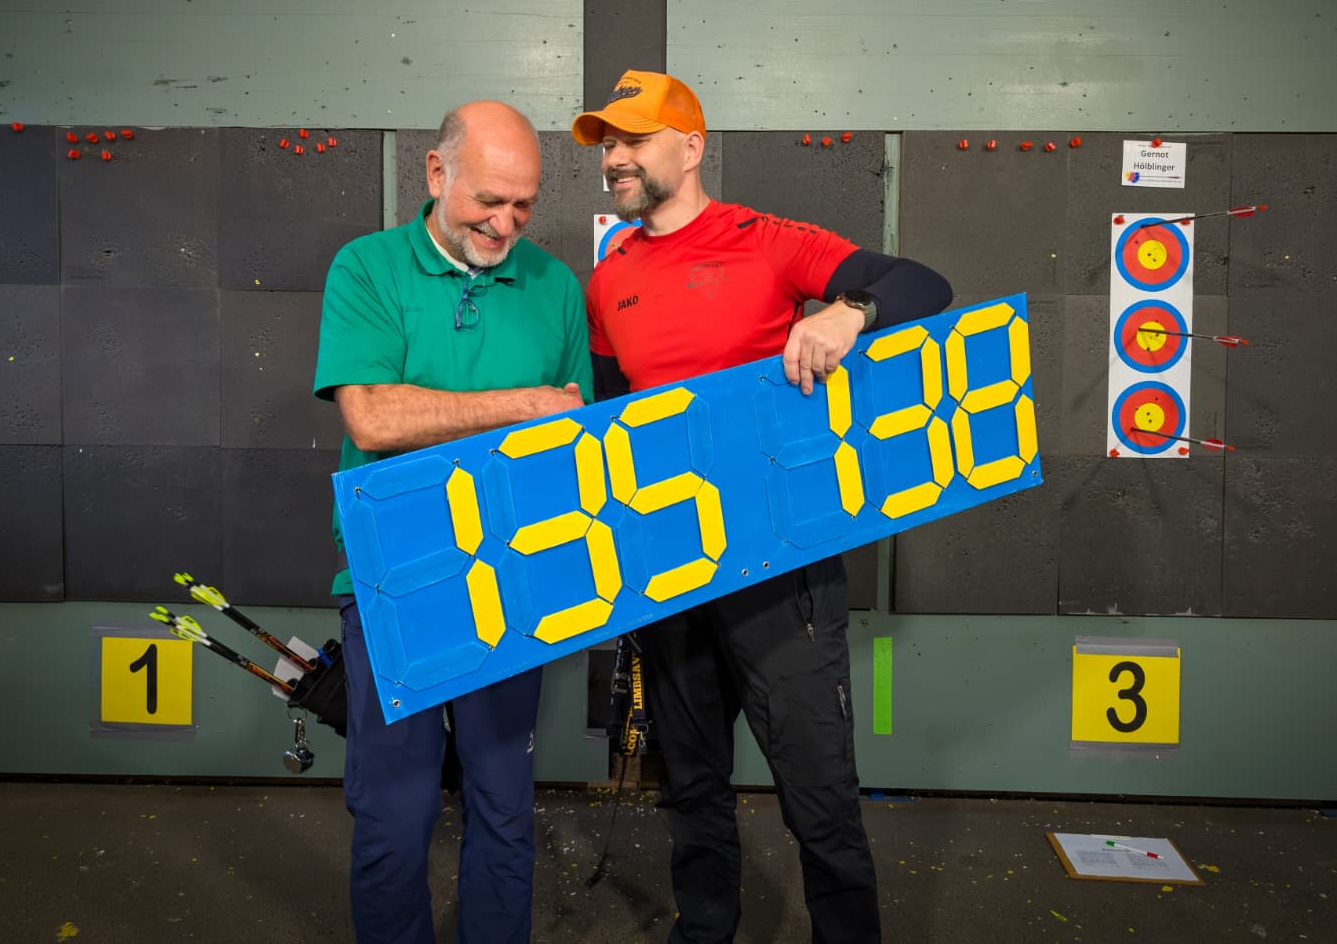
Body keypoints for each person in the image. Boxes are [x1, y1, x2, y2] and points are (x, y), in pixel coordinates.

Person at [574, 71, 953, 944]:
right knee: (692, 789)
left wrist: (850, 313)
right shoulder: (608, 279)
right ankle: (704, 931)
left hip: (781, 567)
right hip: (673, 570)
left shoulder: (767, 241)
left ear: (691, 147)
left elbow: (923, 284)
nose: (615, 158)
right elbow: (610, 415)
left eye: (632, 140)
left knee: (819, 795)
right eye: (607, 144)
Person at [314, 99, 590, 944]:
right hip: (393, 577)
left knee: (503, 804)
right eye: (488, 201)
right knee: (394, 812)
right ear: (436, 174)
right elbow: (372, 417)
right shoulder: (366, 268)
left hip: (511, 574)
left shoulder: (555, 287)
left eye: (523, 205)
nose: (505, 223)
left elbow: (574, 439)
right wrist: (522, 405)